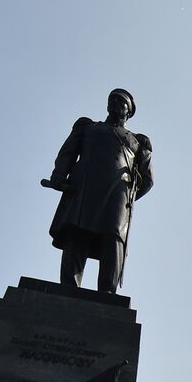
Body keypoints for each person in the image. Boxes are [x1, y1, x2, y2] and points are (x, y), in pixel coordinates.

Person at [43, 88, 154, 294]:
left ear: (128, 111)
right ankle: (69, 287)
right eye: (112, 99)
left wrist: (128, 197)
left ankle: (107, 292)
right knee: (77, 232)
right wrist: (59, 174)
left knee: (113, 238)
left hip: (117, 195)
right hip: (84, 188)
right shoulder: (88, 127)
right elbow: (68, 152)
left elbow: (147, 179)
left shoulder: (138, 141)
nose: (114, 103)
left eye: (120, 101)